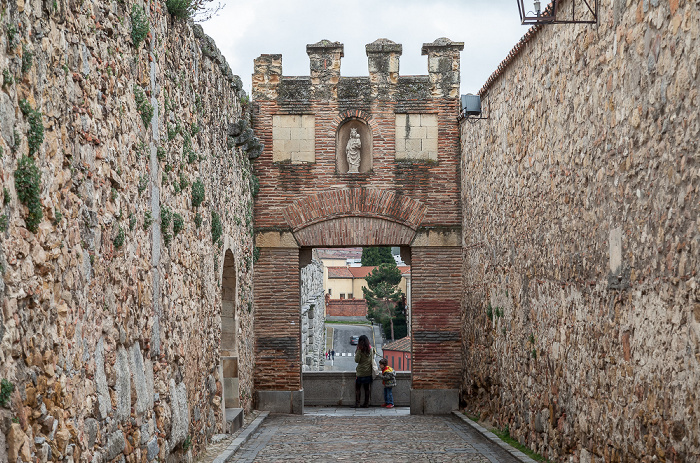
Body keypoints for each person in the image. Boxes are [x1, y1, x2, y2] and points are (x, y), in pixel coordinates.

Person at [354, 334, 373, 408]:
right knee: (367, 389)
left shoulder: (360, 350)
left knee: (358, 388)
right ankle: (366, 403)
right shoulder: (371, 349)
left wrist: (358, 351)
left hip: (360, 372)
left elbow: (356, 360)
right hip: (368, 372)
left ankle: (357, 403)